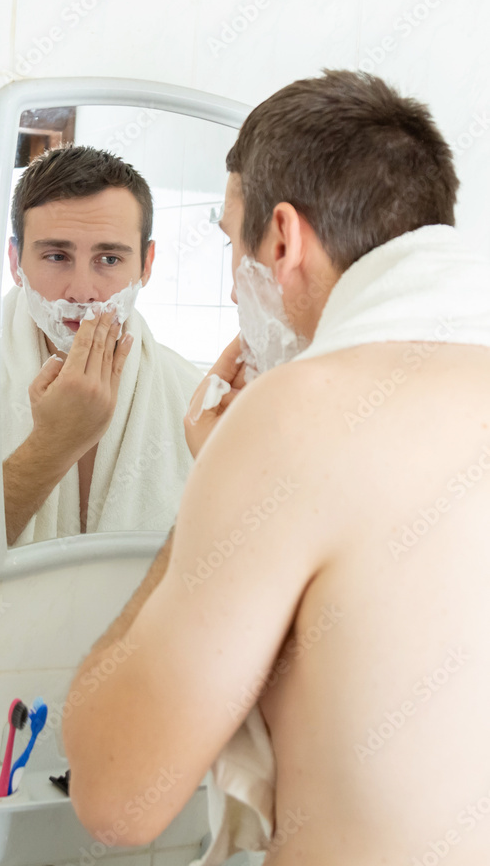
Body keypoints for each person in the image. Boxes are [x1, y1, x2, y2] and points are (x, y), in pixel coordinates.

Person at [61, 70, 490, 864]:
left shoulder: (299, 414)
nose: (233, 285)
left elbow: (116, 799)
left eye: (233, 243)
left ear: (283, 238)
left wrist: (220, 473)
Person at [2, 145, 204, 545]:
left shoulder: (191, 397)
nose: (82, 292)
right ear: (15, 262)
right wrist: (52, 444)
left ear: (146, 264)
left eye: (109, 259)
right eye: (57, 255)